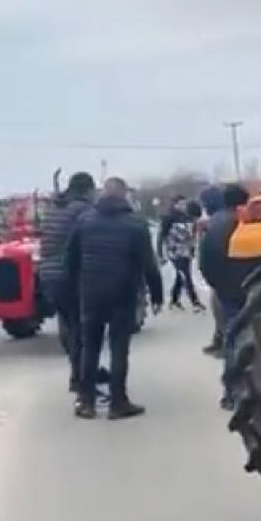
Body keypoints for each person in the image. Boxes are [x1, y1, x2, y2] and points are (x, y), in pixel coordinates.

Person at [65, 177, 164, 420]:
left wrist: (78, 285)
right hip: (123, 293)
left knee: (91, 347)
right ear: (124, 196)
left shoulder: (84, 221)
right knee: (119, 349)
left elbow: (70, 259)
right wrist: (157, 295)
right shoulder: (135, 224)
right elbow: (149, 264)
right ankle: (118, 402)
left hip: (91, 292)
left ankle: (86, 401)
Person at [199, 183, 259, 410]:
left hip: (224, 290)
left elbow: (203, 263)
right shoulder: (242, 224)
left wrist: (218, 285)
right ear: (243, 202)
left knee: (231, 338)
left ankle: (230, 392)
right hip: (244, 288)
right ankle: (240, 391)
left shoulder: (212, 225)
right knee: (245, 341)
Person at [38, 172, 96, 391]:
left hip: (49, 275)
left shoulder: (54, 209)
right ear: (87, 190)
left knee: (71, 326)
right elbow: (87, 243)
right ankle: (81, 379)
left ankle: (78, 373)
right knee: (83, 328)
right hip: (71, 274)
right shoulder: (82, 210)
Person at [198, 185, 228, 357]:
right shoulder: (217, 219)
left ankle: (224, 345)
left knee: (221, 310)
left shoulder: (214, 223)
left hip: (221, 275)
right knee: (219, 309)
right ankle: (219, 340)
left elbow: (208, 254)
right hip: (225, 274)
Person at [162, 199, 204, 311]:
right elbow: (161, 236)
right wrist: (161, 253)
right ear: (174, 205)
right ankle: (195, 301)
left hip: (186, 252)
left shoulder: (188, 218)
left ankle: (174, 300)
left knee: (180, 276)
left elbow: (192, 236)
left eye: (184, 204)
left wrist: (192, 248)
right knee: (186, 275)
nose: (183, 206)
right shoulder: (168, 218)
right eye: (180, 204)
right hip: (175, 252)